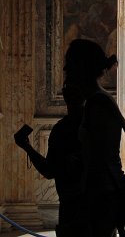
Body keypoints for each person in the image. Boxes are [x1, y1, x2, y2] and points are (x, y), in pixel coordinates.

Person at [63, 38, 125, 237]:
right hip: (98, 195)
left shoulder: (98, 103)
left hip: (99, 198)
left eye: (70, 64)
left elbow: (101, 159)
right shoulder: (94, 102)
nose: (66, 70)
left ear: (82, 68)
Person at [14, 85, 88, 237]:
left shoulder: (62, 130)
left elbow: (49, 170)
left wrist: (27, 147)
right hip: (97, 208)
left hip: (72, 209)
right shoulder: (98, 126)